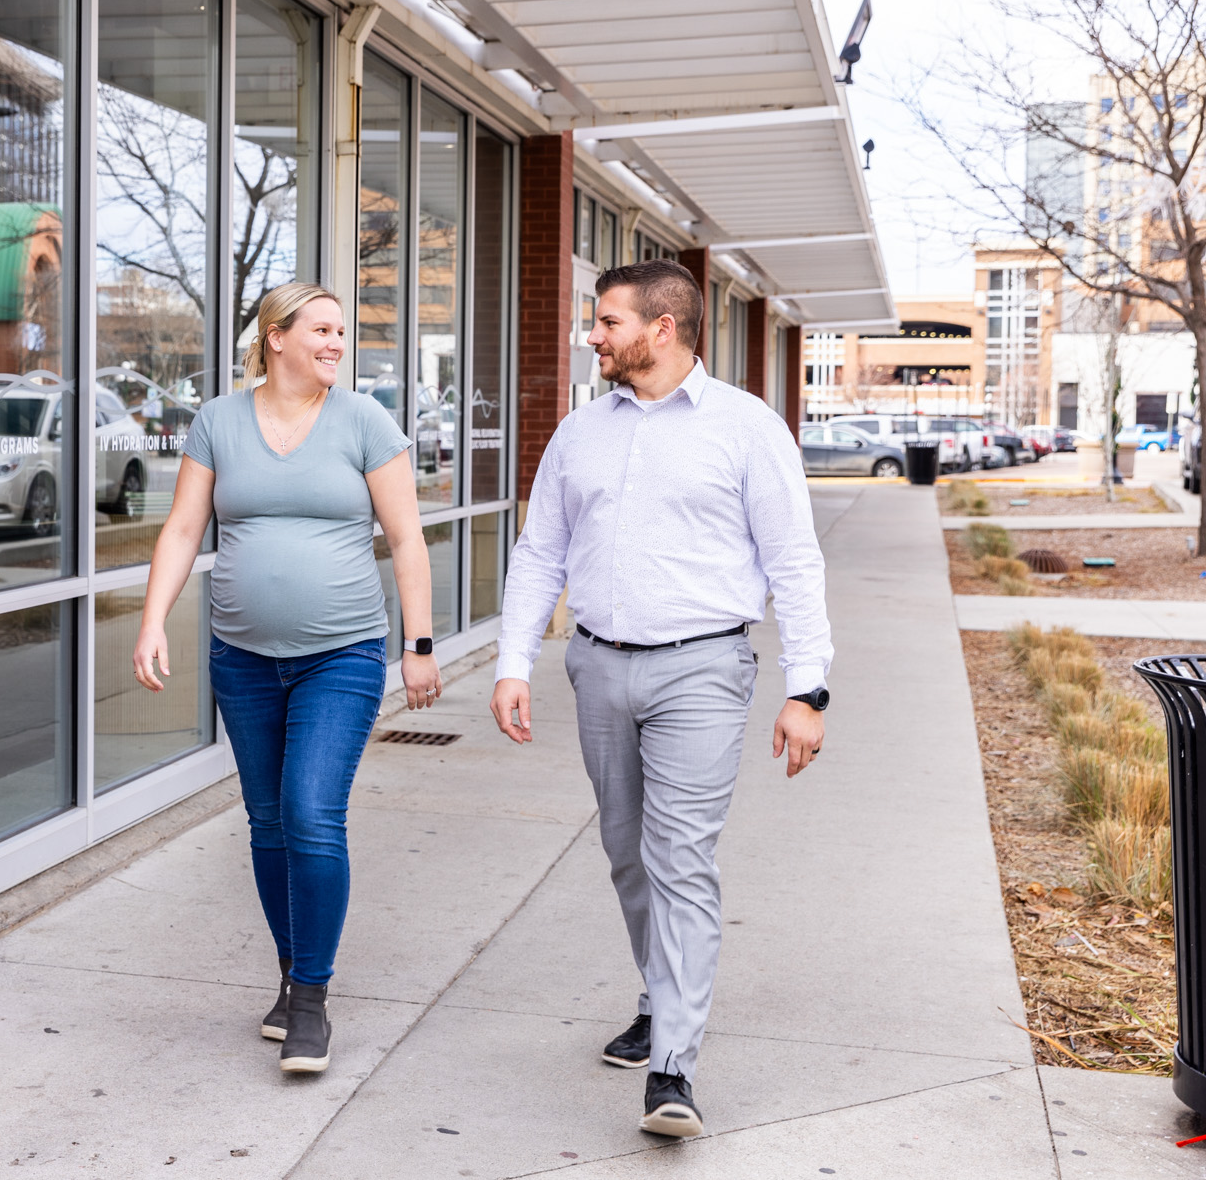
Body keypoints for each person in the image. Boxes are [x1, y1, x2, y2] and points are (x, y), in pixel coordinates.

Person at [488, 259, 832, 1138]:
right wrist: (513, 661)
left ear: (663, 328)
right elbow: (540, 554)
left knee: (680, 856)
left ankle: (673, 1066)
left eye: (606, 322)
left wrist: (808, 688)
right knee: (626, 853)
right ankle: (659, 994)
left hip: (703, 670)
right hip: (599, 666)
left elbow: (794, 563)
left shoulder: (749, 430)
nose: (592, 336)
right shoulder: (580, 432)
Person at [132, 281, 441, 1075]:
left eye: (342, 332)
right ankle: (288, 974)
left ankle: (310, 999)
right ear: (276, 336)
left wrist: (420, 643)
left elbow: (406, 539)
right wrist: (152, 619)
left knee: (310, 814)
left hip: (341, 656)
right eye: (323, 329)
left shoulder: (364, 421)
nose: (337, 344)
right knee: (267, 824)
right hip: (241, 657)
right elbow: (182, 527)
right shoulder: (219, 422)